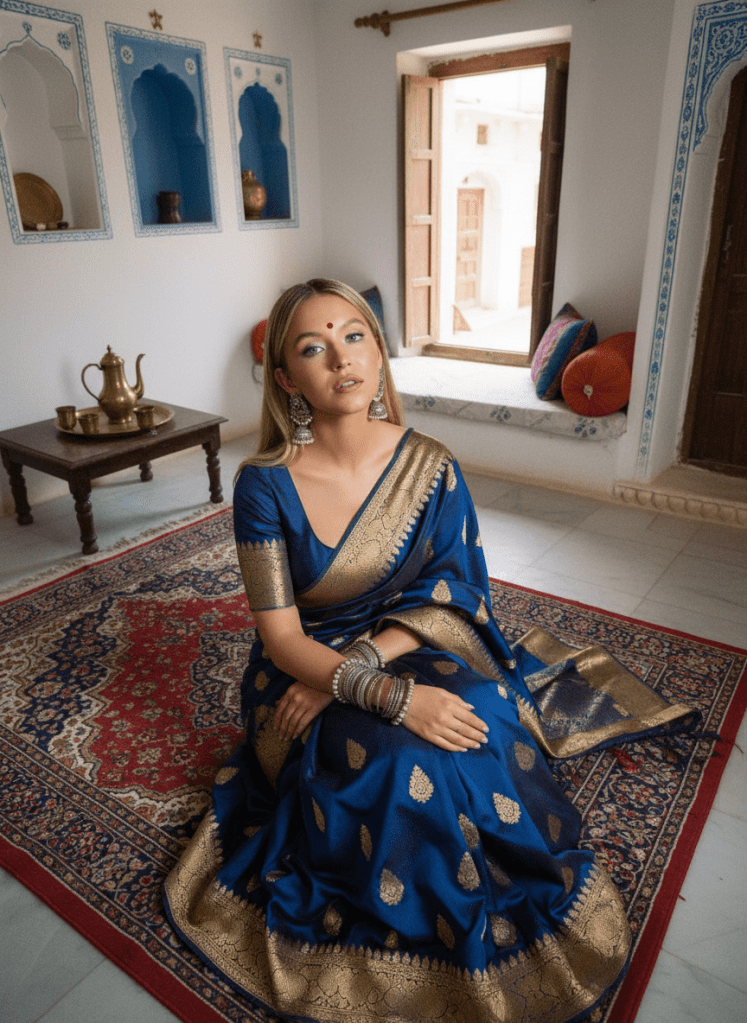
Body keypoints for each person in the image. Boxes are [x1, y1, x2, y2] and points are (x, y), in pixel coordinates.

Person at [164, 279, 696, 1023]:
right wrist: (386, 697)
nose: (341, 359)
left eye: (354, 336)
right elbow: (281, 638)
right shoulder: (265, 485)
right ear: (285, 380)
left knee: (483, 711)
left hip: (406, 637)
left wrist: (363, 668)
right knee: (397, 760)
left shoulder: (429, 465)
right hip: (304, 663)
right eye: (313, 348)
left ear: (379, 352)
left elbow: (454, 590)